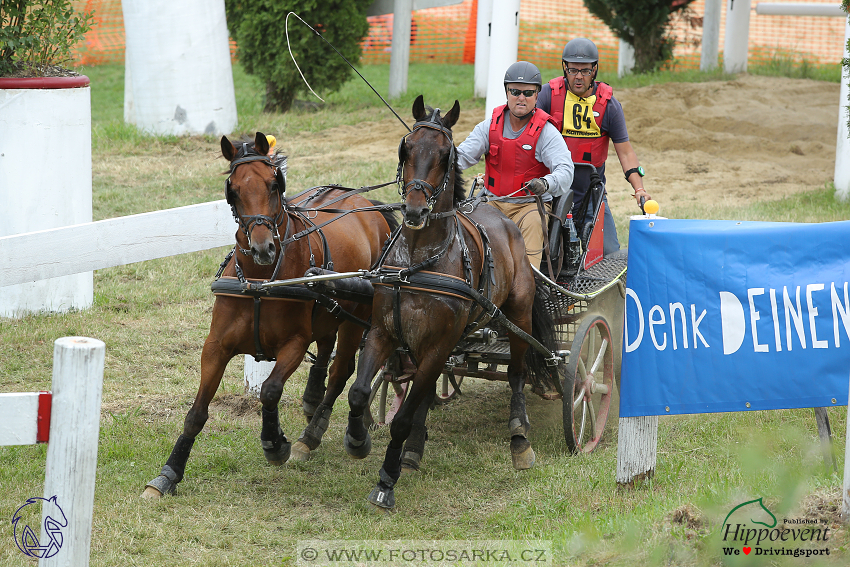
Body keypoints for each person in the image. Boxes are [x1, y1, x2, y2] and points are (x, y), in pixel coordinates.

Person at [537, 37, 650, 255]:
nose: (578, 76)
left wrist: (640, 189)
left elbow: (625, 152)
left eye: (585, 70)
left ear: (595, 70)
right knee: (546, 257)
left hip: (591, 195)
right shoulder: (547, 96)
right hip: (552, 193)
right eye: (573, 70)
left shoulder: (609, 106)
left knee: (609, 254)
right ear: (564, 68)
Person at [456, 61, 574, 269]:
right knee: (463, 229)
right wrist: (438, 155)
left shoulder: (546, 132)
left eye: (528, 92)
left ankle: (530, 287)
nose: (521, 97)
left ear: (537, 95)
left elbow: (566, 170)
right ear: (507, 92)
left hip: (529, 206)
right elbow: (462, 157)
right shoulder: (488, 127)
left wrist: (546, 184)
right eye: (515, 91)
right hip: (492, 203)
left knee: (534, 225)